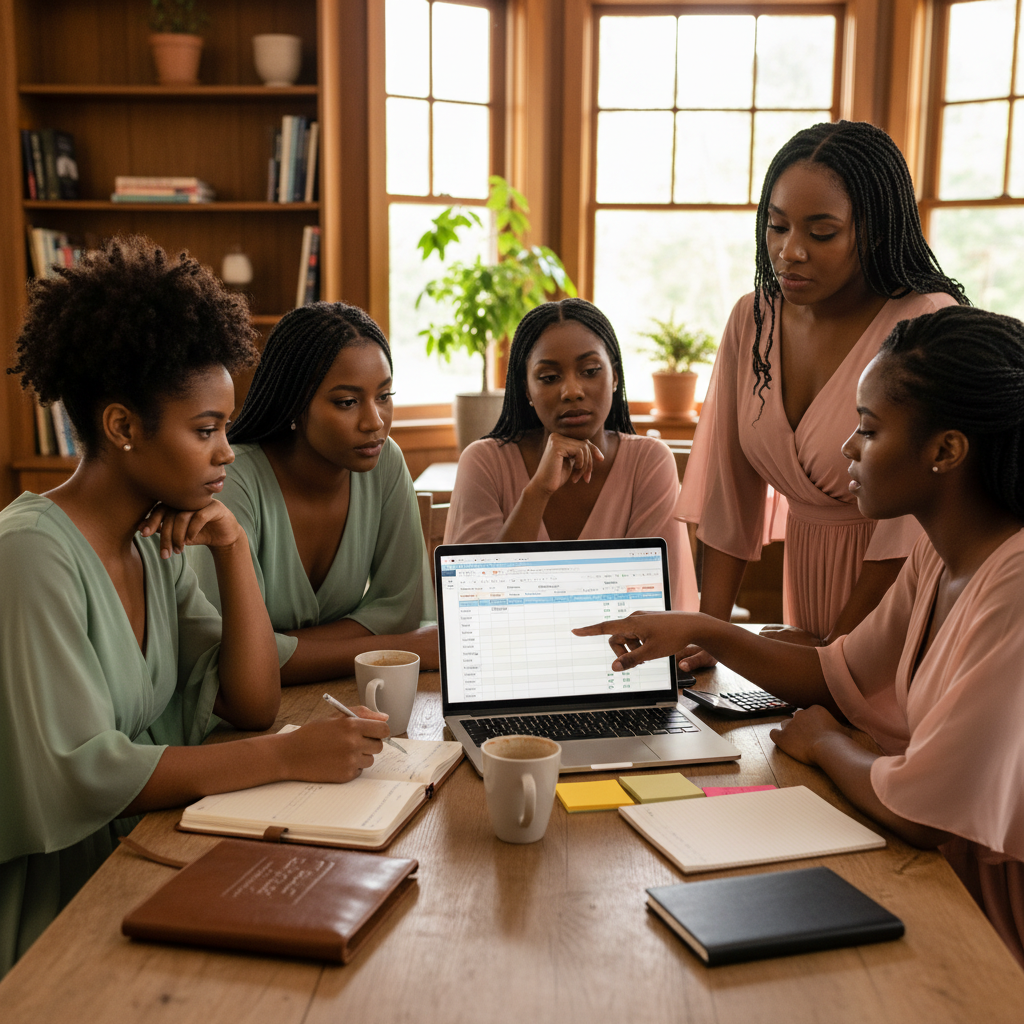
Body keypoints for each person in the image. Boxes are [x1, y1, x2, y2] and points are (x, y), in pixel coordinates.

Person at [576, 305, 1024, 965]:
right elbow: (836, 673)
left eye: (868, 430)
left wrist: (827, 745)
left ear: (947, 451)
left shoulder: (1012, 586)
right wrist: (704, 629)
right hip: (953, 878)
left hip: (997, 919)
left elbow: (922, 815)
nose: (848, 447)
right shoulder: (940, 554)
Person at [0, 238, 390, 976]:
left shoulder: (153, 539)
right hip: (54, 911)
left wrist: (233, 547)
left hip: (147, 852)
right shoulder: (30, 555)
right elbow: (77, 775)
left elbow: (249, 700)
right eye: (206, 430)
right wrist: (285, 756)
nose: (227, 453)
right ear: (122, 427)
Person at [677, 120, 969, 668]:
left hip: (898, 603)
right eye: (777, 226)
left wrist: (836, 653)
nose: (791, 252)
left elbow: (907, 531)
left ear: (876, 229)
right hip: (805, 595)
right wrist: (708, 636)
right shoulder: (753, 319)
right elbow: (727, 493)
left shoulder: (926, 324)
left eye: (822, 232)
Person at [190, 302, 437, 683]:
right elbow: (225, 658)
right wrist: (400, 649)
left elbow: (401, 610)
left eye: (384, 396)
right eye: (347, 402)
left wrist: (285, 648)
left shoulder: (385, 462)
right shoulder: (230, 481)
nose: (375, 422)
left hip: (349, 693)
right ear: (295, 404)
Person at [444, 297, 699, 611]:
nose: (572, 391)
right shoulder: (483, 462)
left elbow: (656, 608)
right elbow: (473, 606)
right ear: (526, 390)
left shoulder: (649, 462)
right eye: (549, 378)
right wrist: (538, 492)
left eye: (590, 371)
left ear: (615, 377)